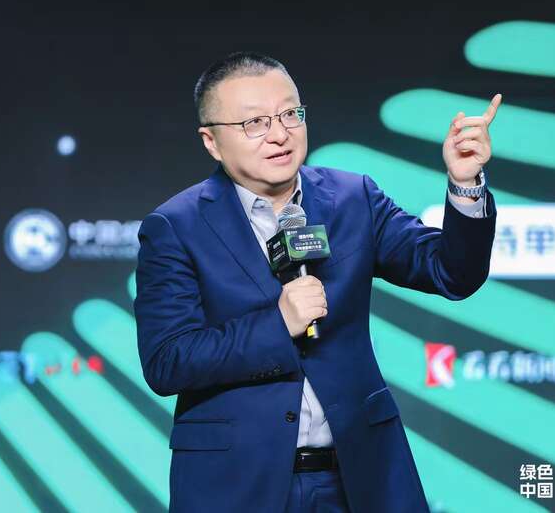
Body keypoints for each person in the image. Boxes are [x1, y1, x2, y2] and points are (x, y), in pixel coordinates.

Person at [134, 51, 500, 513]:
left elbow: (452, 273)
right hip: (237, 485)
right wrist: (278, 324)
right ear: (212, 142)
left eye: (290, 114)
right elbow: (168, 362)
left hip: (360, 478)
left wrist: (465, 185)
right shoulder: (176, 226)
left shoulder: (353, 198)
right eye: (255, 123)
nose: (279, 134)